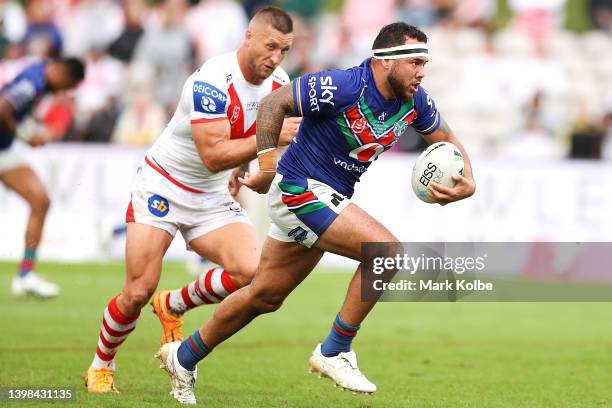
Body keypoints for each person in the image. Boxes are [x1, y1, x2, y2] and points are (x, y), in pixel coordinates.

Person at [155, 22, 476, 404]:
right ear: (385, 62)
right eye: (415, 62)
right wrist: (268, 166)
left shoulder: (416, 101)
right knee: (386, 253)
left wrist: (467, 179)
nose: (422, 72)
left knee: (264, 296)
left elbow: (448, 141)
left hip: (324, 198)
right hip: (298, 188)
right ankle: (335, 350)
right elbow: (275, 105)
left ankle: (183, 356)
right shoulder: (343, 86)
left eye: (425, 62)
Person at [84, 6, 298, 394]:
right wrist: (271, 139)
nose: (276, 58)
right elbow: (213, 153)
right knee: (136, 291)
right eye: (270, 47)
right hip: (164, 185)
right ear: (248, 36)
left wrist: (255, 169)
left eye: (284, 50)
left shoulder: (280, 82)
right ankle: (101, 365)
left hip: (212, 192)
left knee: (252, 272)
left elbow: (250, 137)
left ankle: (175, 304)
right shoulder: (212, 80)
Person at [1, 57, 85, 298]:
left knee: (40, 201)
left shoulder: (39, 73)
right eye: (66, 85)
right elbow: (3, 108)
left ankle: (26, 275)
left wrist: (29, 131)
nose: (63, 91)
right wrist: (25, 136)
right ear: (60, 73)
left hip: (4, 150)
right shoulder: (34, 81)